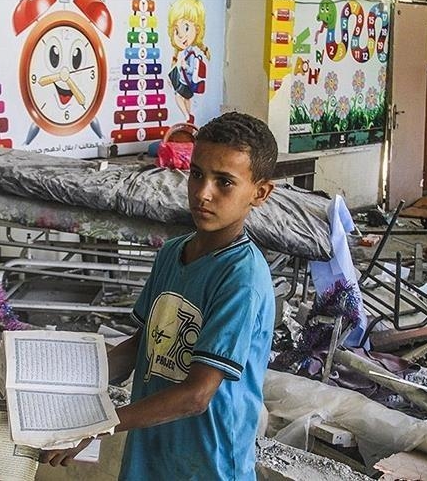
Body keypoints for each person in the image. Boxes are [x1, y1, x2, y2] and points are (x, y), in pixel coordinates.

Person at [40, 112, 278, 480]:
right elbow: (142, 347)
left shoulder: (242, 278)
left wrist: (94, 426)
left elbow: (196, 396)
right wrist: (55, 387)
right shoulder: (172, 253)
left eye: (224, 182)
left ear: (259, 193)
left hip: (208, 464)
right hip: (152, 453)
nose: (203, 193)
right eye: (197, 174)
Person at [167, 0, 210, 125]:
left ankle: (187, 116)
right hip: (184, 80)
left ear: (197, 29)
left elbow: (192, 69)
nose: (181, 36)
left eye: (186, 28)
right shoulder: (183, 52)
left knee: (179, 96)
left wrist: (185, 66)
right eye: (177, 31)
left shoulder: (192, 53)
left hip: (187, 81)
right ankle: (189, 116)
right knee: (185, 98)